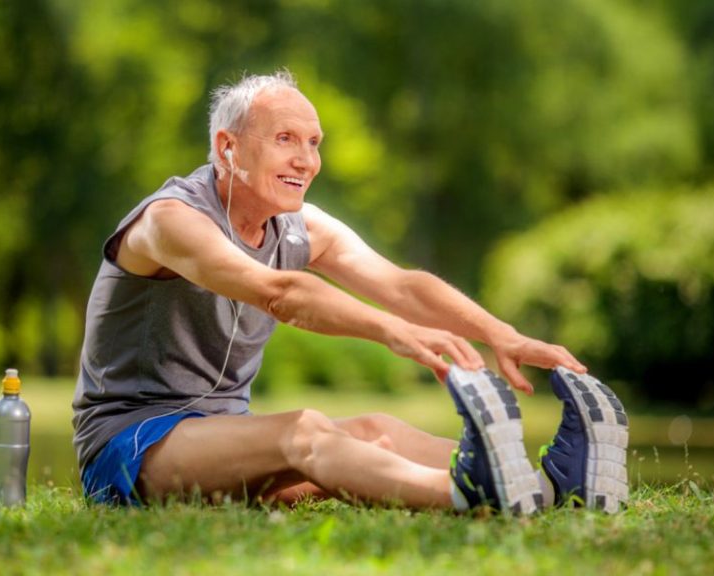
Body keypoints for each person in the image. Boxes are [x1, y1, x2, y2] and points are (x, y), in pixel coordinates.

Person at [71, 70, 629, 514]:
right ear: (229, 147)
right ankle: (471, 491)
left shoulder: (296, 226)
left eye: (313, 143)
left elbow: (400, 284)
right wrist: (394, 332)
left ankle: (549, 487)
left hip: (223, 438)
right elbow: (280, 293)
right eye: (285, 139)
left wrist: (501, 336)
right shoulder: (171, 221)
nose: (305, 160)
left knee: (375, 432)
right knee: (303, 431)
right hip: (131, 445)